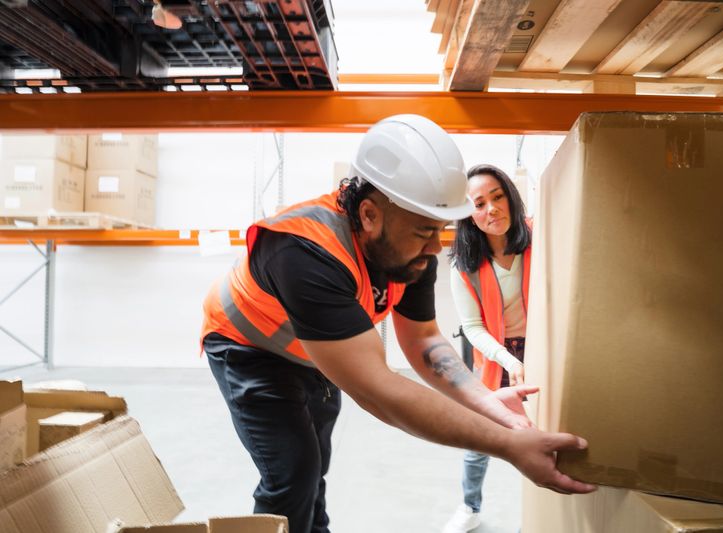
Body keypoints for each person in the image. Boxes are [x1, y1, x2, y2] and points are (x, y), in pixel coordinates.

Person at [200, 114, 595, 533]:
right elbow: (379, 390)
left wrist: (488, 404)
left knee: (315, 468)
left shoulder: (407, 248)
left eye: (440, 230)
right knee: (292, 473)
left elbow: (425, 342)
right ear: (369, 214)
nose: (433, 247)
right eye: (424, 231)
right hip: (249, 347)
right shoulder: (302, 251)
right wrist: (508, 444)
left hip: (313, 353)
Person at [443, 164, 531, 533]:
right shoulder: (464, 266)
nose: (491, 209)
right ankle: (469, 507)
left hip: (546, 347)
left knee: (551, 425)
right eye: (479, 203)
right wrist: (508, 359)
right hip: (497, 356)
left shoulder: (541, 240)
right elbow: (473, 328)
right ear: (469, 214)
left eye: (497, 197)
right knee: (480, 434)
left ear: (510, 197)